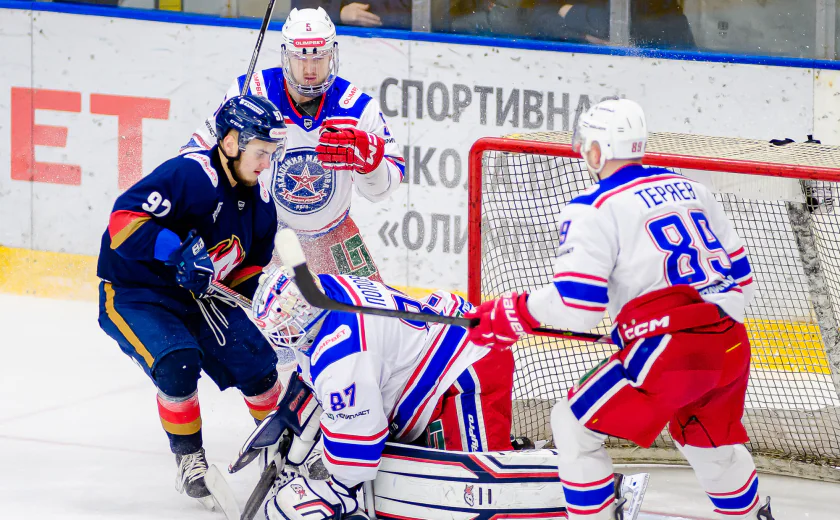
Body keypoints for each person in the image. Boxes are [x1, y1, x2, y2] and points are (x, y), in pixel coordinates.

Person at [464, 98, 775, 520]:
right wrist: (649, 323)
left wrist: (512, 313)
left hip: (669, 352)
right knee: (705, 439)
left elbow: (578, 307)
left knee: (572, 425)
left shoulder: (593, 208)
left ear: (596, 150)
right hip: (731, 345)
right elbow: (743, 281)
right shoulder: (691, 189)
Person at [97, 95, 289, 504]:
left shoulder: (262, 207)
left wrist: (267, 298)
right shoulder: (191, 175)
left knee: (258, 362)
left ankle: (283, 449)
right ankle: (189, 460)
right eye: (260, 152)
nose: (266, 163)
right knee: (177, 361)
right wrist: (175, 251)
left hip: (202, 299)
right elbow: (122, 221)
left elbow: (245, 273)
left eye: (272, 153)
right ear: (232, 143)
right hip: (138, 293)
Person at [250, 269, 516, 518]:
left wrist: (337, 490)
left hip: (466, 366)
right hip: (448, 337)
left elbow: (359, 446)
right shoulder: (329, 288)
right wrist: (291, 418)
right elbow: (317, 372)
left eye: (283, 323)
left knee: (476, 492)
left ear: (303, 313)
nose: (280, 333)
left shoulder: (343, 358)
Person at [182, 7, 404, 282]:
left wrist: (371, 164)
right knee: (256, 308)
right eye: (301, 58)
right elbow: (195, 151)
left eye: (319, 58)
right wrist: (199, 216)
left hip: (334, 234)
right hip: (263, 234)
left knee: (372, 307)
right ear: (286, 56)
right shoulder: (252, 93)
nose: (310, 69)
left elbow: (382, 190)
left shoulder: (358, 109)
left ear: (332, 55)